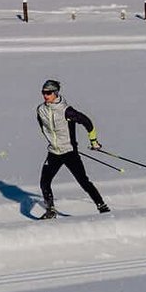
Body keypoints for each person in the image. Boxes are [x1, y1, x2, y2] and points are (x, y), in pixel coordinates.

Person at [35, 78, 108, 218]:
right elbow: (43, 128)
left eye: (48, 93)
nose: (45, 95)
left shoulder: (66, 111)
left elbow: (87, 123)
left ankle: (102, 206)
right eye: (43, 92)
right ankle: (50, 211)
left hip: (69, 153)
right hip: (54, 152)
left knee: (83, 181)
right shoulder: (40, 110)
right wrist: (54, 143)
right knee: (44, 182)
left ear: (55, 93)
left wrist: (94, 141)